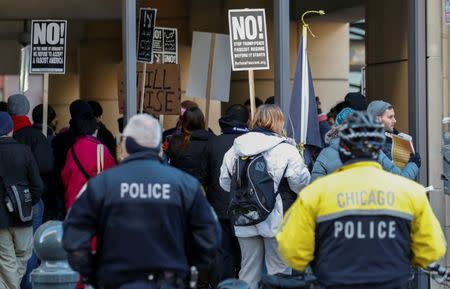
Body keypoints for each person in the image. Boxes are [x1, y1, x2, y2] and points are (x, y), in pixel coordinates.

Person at [277, 111, 446, 289]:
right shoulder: (411, 193)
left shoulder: (314, 194)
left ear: (342, 148)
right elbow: (431, 250)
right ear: (379, 148)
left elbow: (292, 251)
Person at [62, 114, 221, 289]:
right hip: (168, 279)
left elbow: (73, 235)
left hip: (115, 280)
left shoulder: (101, 185)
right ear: (159, 146)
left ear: (126, 144)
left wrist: (92, 272)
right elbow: (210, 235)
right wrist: (189, 266)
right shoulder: (185, 185)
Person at [219, 104, 310, 289]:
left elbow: (224, 182)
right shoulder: (286, 148)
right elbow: (300, 184)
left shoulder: (236, 147)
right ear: (278, 122)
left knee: (248, 268)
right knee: (278, 270)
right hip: (276, 218)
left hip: (244, 216)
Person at [7, 95, 53, 289]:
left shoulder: (8, 136)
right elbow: (47, 166)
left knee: (7, 251)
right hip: (29, 200)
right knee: (29, 248)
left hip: (5, 201)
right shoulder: (36, 136)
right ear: (26, 109)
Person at [205, 104, 249, 286]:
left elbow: (205, 175)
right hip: (245, 209)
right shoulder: (251, 143)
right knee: (245, 254)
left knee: (223, 254)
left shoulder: (213, 142)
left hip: (219, 208)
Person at [311, 108, 419, 182]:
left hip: (334, 213)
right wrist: (413, 164)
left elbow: (314, 191)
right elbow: (400, 180)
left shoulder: (324, 155)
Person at [0, 112, 43, 289]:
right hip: (23, 216)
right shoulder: (24, 151)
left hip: (0, 221)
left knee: (7, 261)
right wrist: (26, 202)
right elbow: (37, 186)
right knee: (24, 255)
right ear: (11, 129)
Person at [61, 101, 115, 210]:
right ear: (94, 129)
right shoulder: (101, 149)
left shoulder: (72, 150)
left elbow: (65, 177)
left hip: (73, 206)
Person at [166, 106, 212, 185]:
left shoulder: (174, 140)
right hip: (202, 189)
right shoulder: (212, 140)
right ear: (202, 121)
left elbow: (170, 166)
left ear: (184, 122)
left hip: (180, 186)